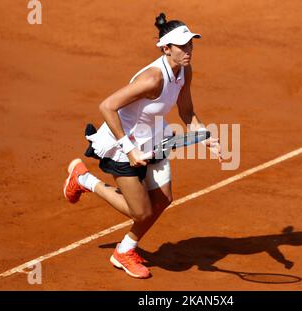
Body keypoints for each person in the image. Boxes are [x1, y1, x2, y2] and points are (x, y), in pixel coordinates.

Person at [63, 13, 222, 279]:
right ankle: (83, 179)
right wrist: (129, 148)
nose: (189, 50)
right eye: (182, 46)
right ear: (166, 48)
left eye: (191, 44)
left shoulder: (184, 70)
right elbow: (107, 106)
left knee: (162, 200)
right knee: (140, 211)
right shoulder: (152, 79)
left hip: (155, 140)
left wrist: (205, 137)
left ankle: (124, 251)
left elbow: (187, 111)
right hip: (122, 144)